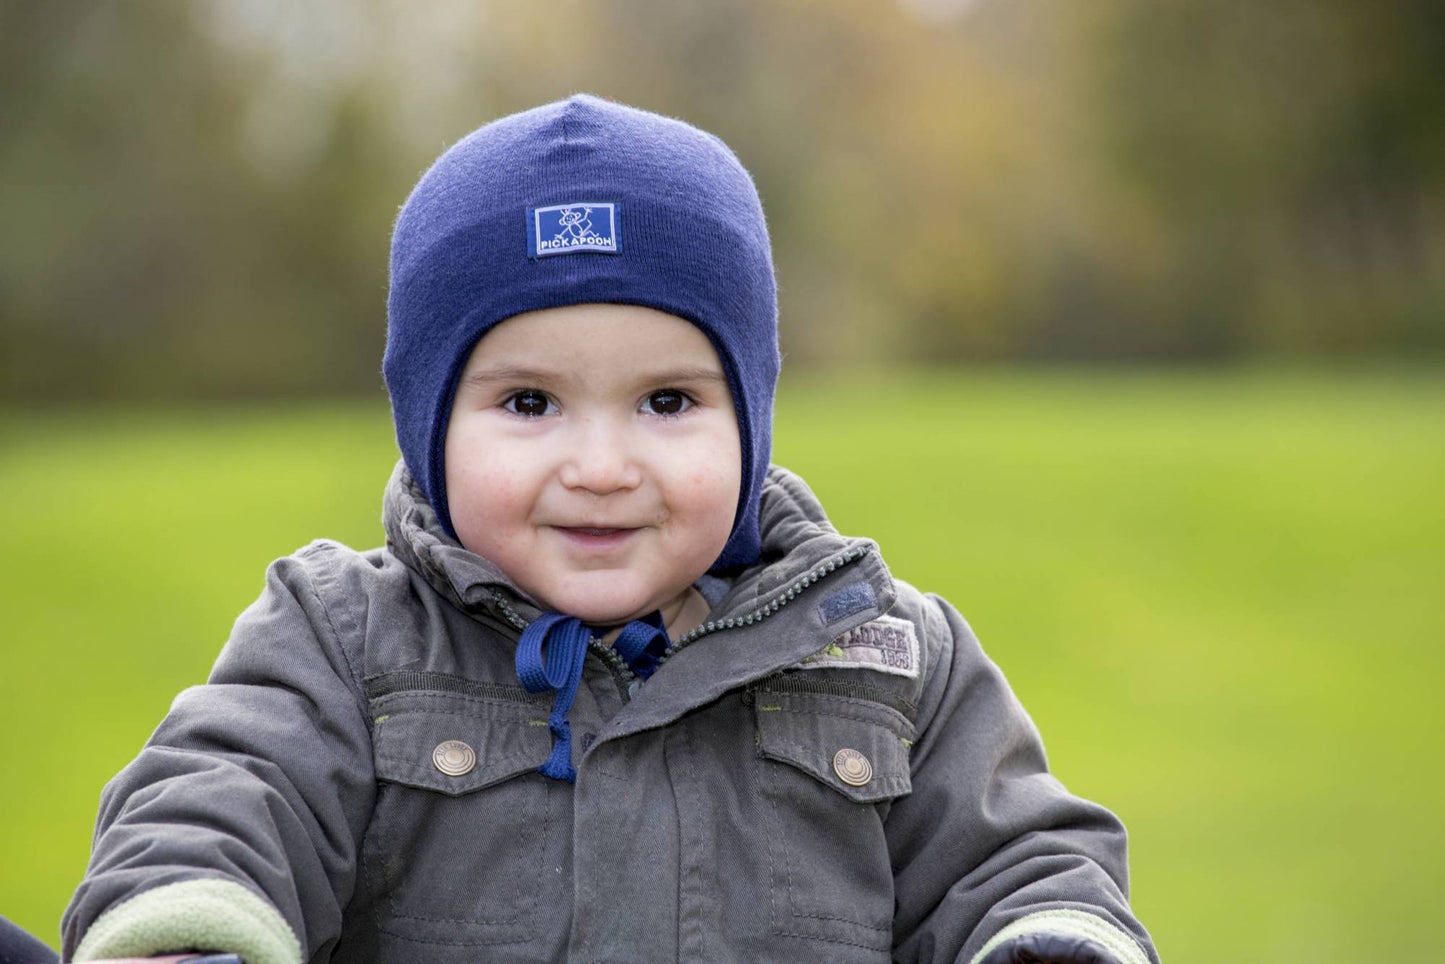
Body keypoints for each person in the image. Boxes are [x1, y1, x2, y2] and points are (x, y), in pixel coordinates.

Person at [58, 95, 1157, 964]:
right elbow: (215, 803)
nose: (599, 468)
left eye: (667, 402)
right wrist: (189, 930)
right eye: (529, 403)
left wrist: (1043, 943)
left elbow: (1020, 864)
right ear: (429, 425)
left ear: (750, 420)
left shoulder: (887, 661)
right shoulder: (342, 642)